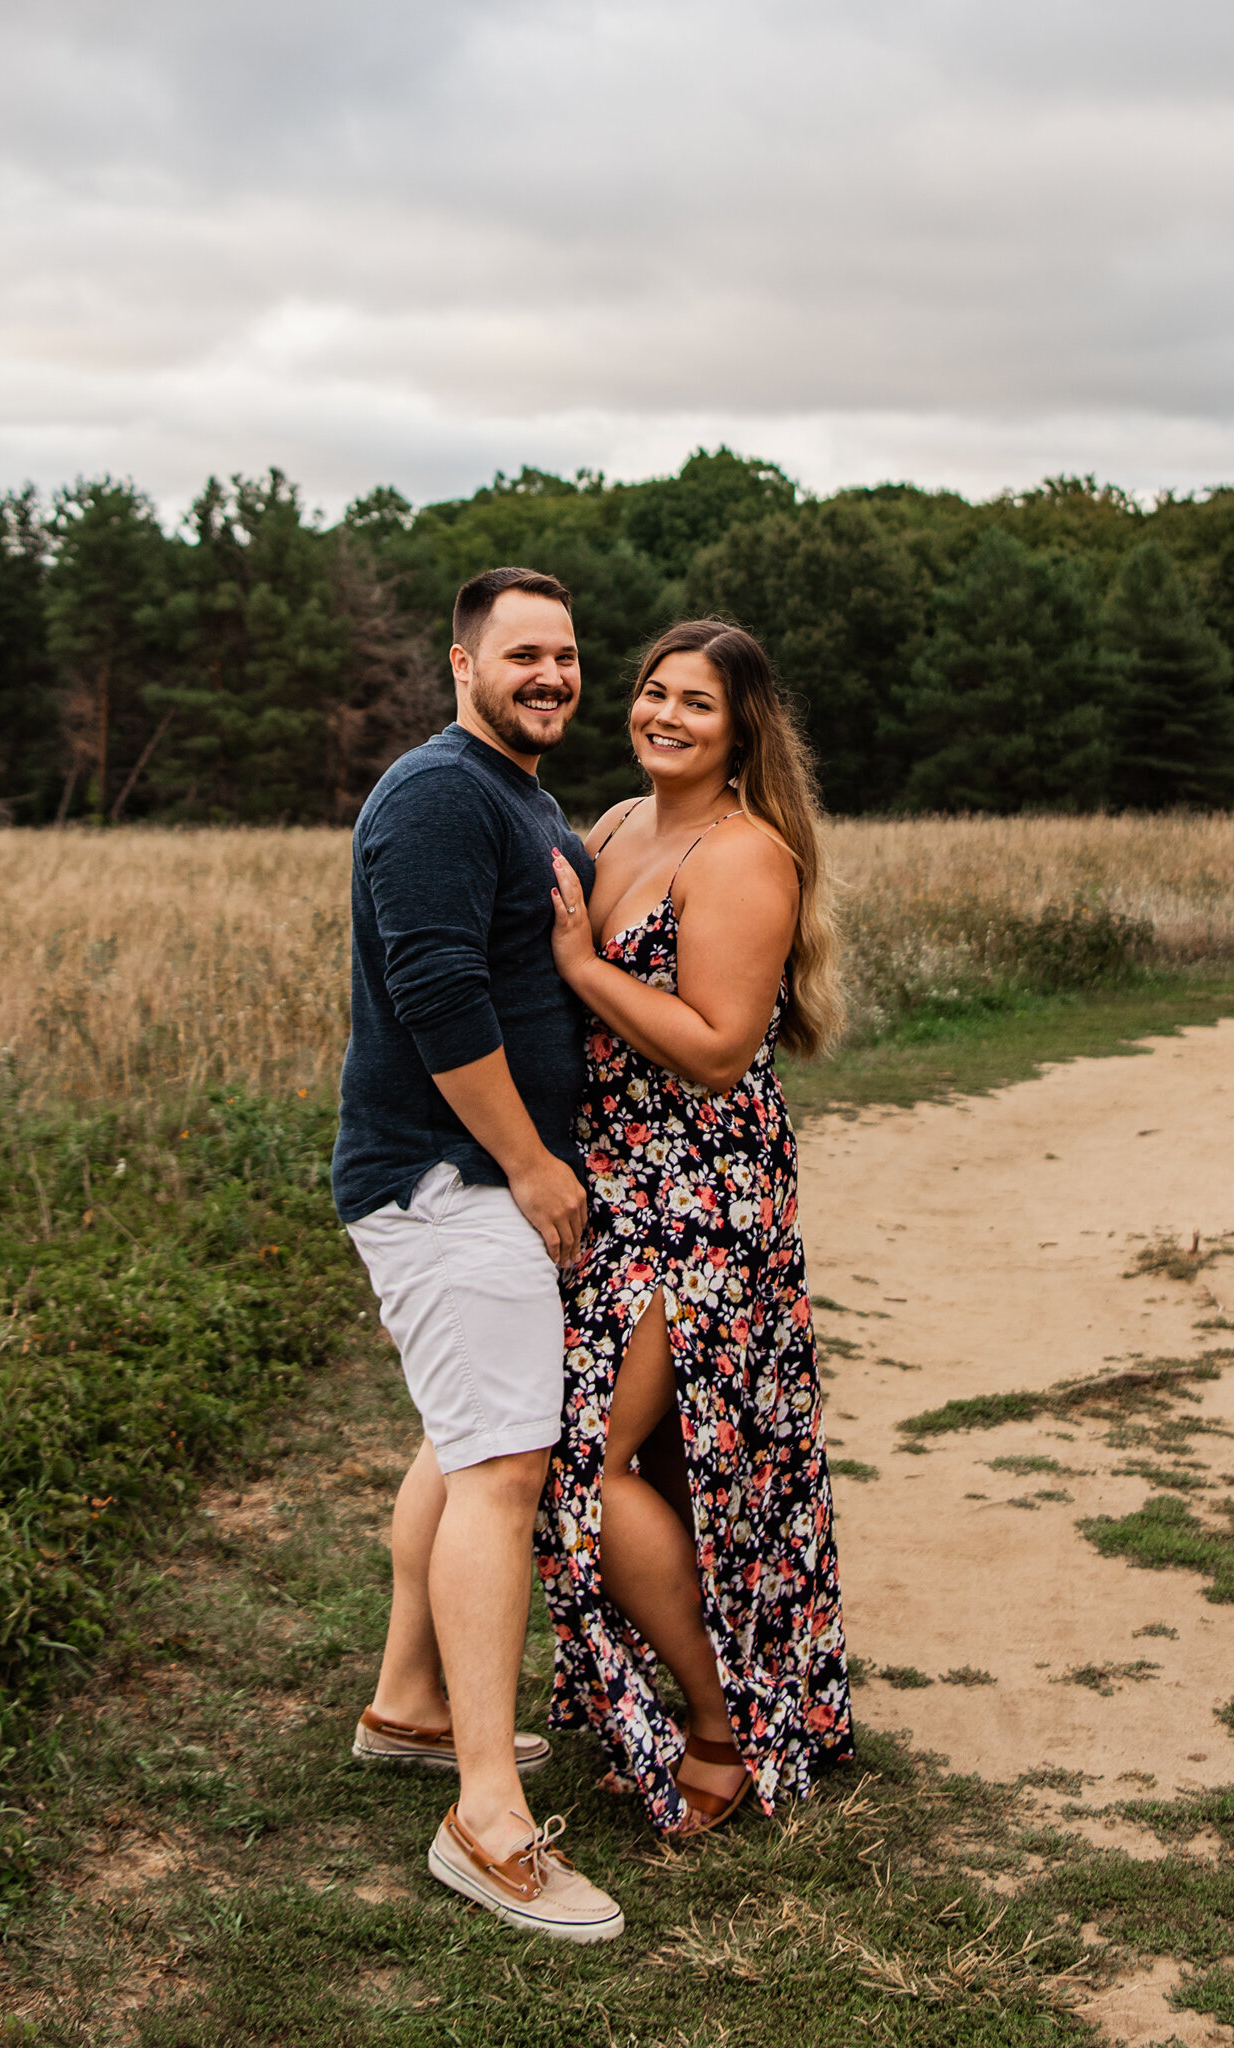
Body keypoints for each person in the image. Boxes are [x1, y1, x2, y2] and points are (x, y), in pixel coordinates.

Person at [331, 565, 623, 1942]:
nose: (550, 675)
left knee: (462, 1443)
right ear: (463, 664)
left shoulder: (522, 795)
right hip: (448, 1180)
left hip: (471, 1180)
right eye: (522, 654)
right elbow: (434, 990)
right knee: (504, 1468)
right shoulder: (441, 792)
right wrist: (525, 1161)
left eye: (565, 655)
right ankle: (488, 1822)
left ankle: (412, 1709)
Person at [537, 618, 852, 1836]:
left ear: (741, 730)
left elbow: (721, 1051)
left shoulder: (742, 855)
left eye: (697, 704)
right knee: (669, 1461)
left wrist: (582, 966)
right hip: (610, 1184)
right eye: (653, 692)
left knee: (581, 1460)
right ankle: (725, 1703)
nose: (664, 715)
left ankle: (726, 1726)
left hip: (702, 1198)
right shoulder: (616, 824)